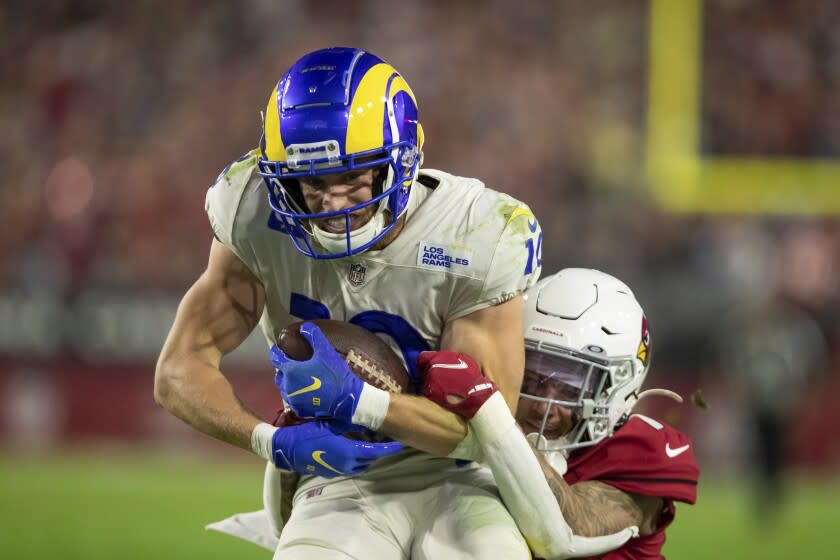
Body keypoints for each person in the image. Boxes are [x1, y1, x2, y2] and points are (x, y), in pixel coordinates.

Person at [155, 46, 547, 559]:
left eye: (353, 175)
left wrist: (363, 402)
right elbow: (177, 372)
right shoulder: (252, 213)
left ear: (401, 161)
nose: (334, 202)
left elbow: (480, 435)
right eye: (312, 182)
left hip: (467, 477)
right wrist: (268, 441)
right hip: (338, 475)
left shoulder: (478, 233)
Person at [422, 268, 700, 559]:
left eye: (570, 389)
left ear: (617, 387)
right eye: (531, 378)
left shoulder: (640, 451)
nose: (543, 406)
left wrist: (488, 411)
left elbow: (570, 526)